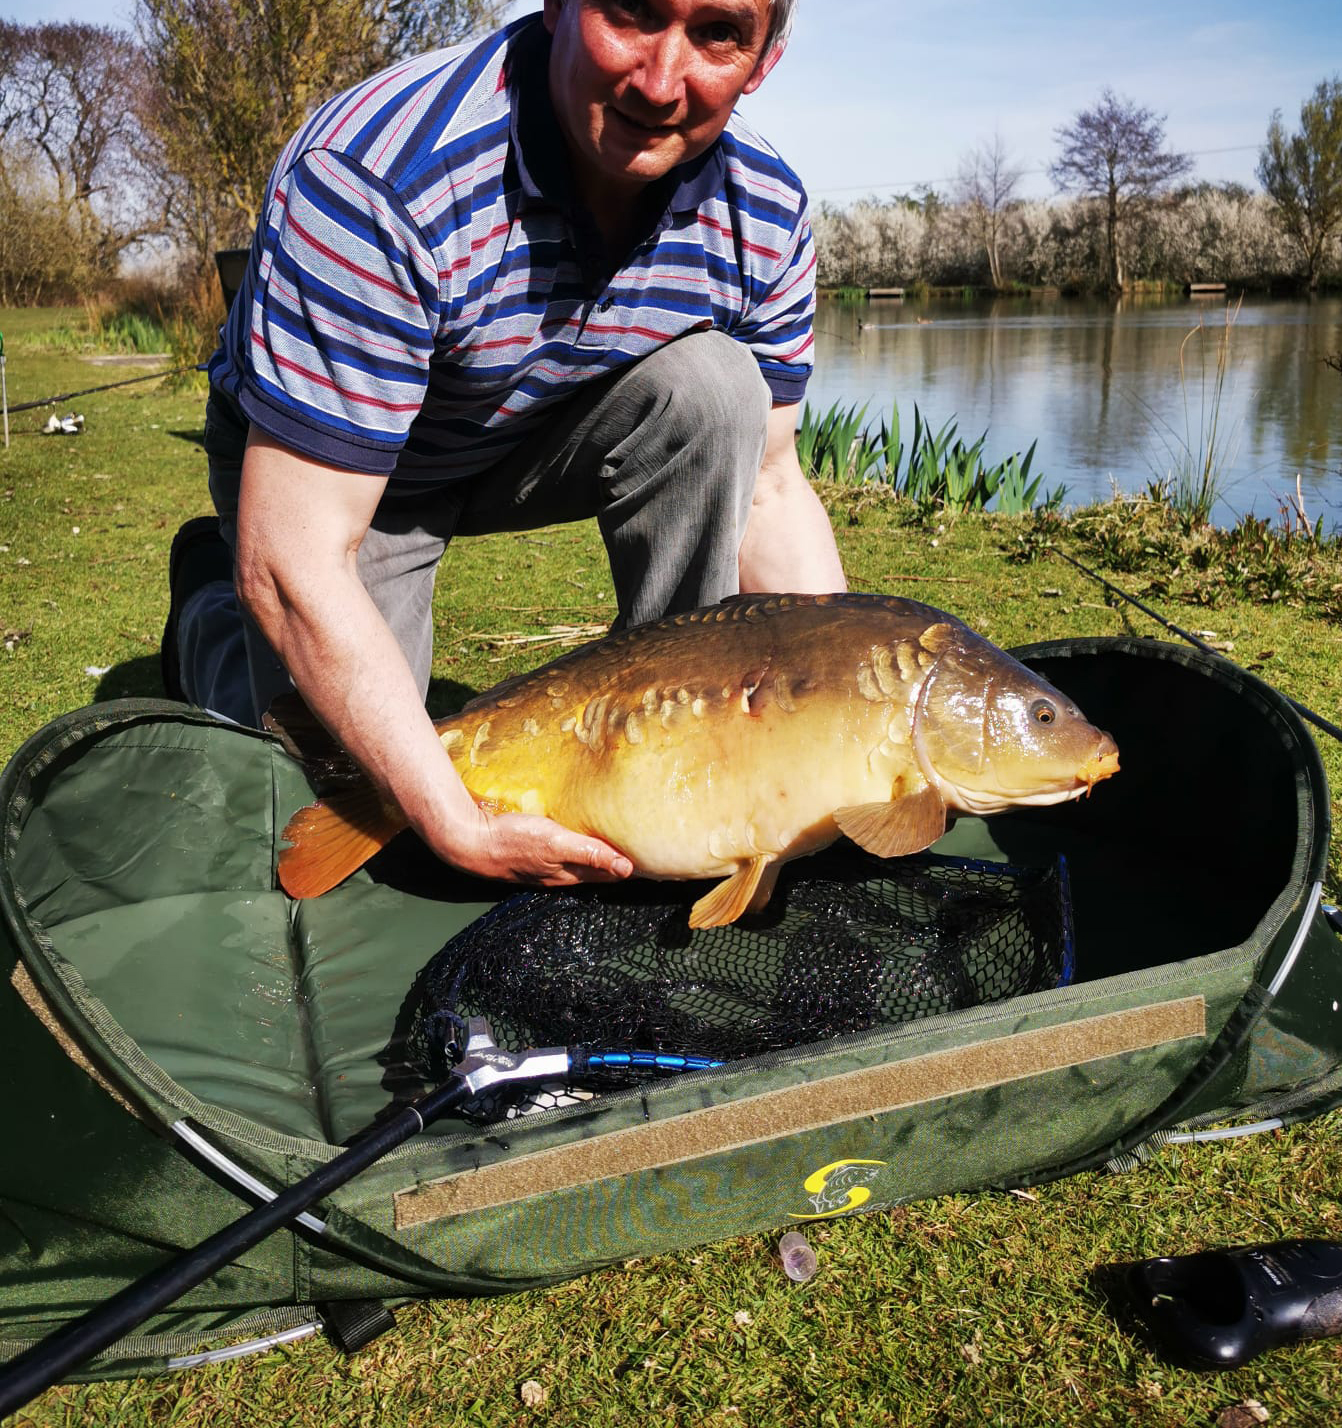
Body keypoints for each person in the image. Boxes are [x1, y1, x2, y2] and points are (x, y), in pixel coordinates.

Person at [164, 0, 846, 894]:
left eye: (717, 33)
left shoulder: (764, 211)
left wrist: (852, 699)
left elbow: (768, 488)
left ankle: (660, 755)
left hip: (529, 427)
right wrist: (449, 820)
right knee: (356, 800)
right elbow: (296, 556)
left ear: (761, 63)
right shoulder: (377, 176)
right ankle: (209, 626)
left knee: (720, 387)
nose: (660, 81)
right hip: (348, 476)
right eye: (634, 14)